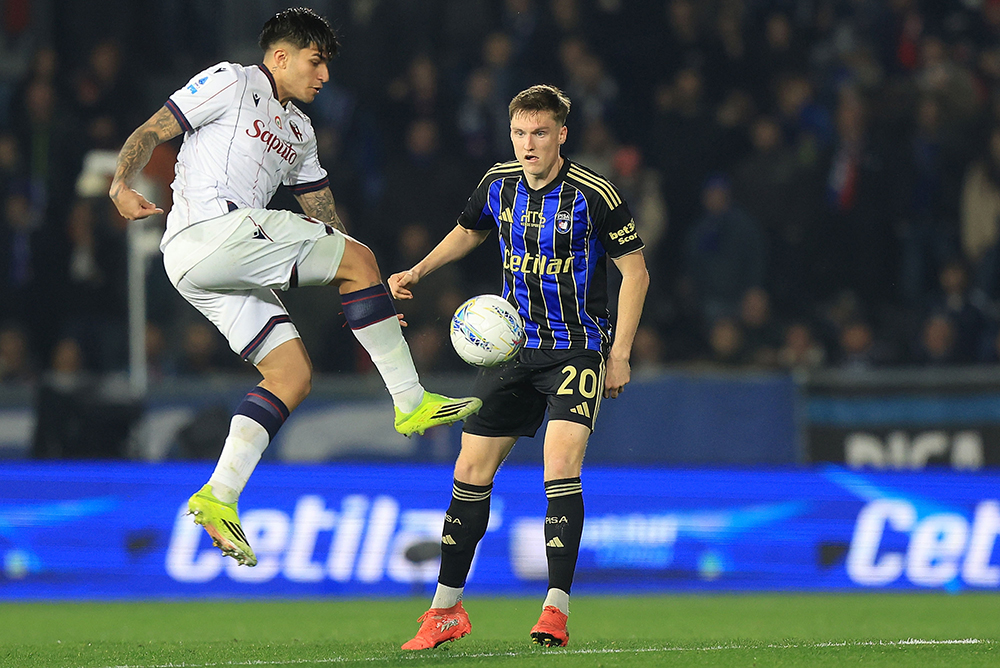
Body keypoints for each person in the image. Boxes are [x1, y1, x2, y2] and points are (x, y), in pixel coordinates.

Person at [108, 7, 481, 568]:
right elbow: (153, 129)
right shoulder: (231, 81)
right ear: (280, 57)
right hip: (209, 233)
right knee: (359, 259)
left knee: (292, 375)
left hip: (206, 266)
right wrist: (120, 183)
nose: (324, 75)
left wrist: (366, 293)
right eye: (315, 62)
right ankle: (410, 400)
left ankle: (219, 495)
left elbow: (323, 217)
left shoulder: (300, 132)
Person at [389, 85, 649, 649]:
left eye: (539, 133)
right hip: (514, 349)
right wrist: (418, 271)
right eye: (519, 133)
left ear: (561, 135)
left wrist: (620, 353)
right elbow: (470, 230)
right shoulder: (497, 183)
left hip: (577, 349)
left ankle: (555, 609)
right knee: (469, 468)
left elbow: (635, 272)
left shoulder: (595, 194)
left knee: (560, 464)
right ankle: (445, 610)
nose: (528, 145)